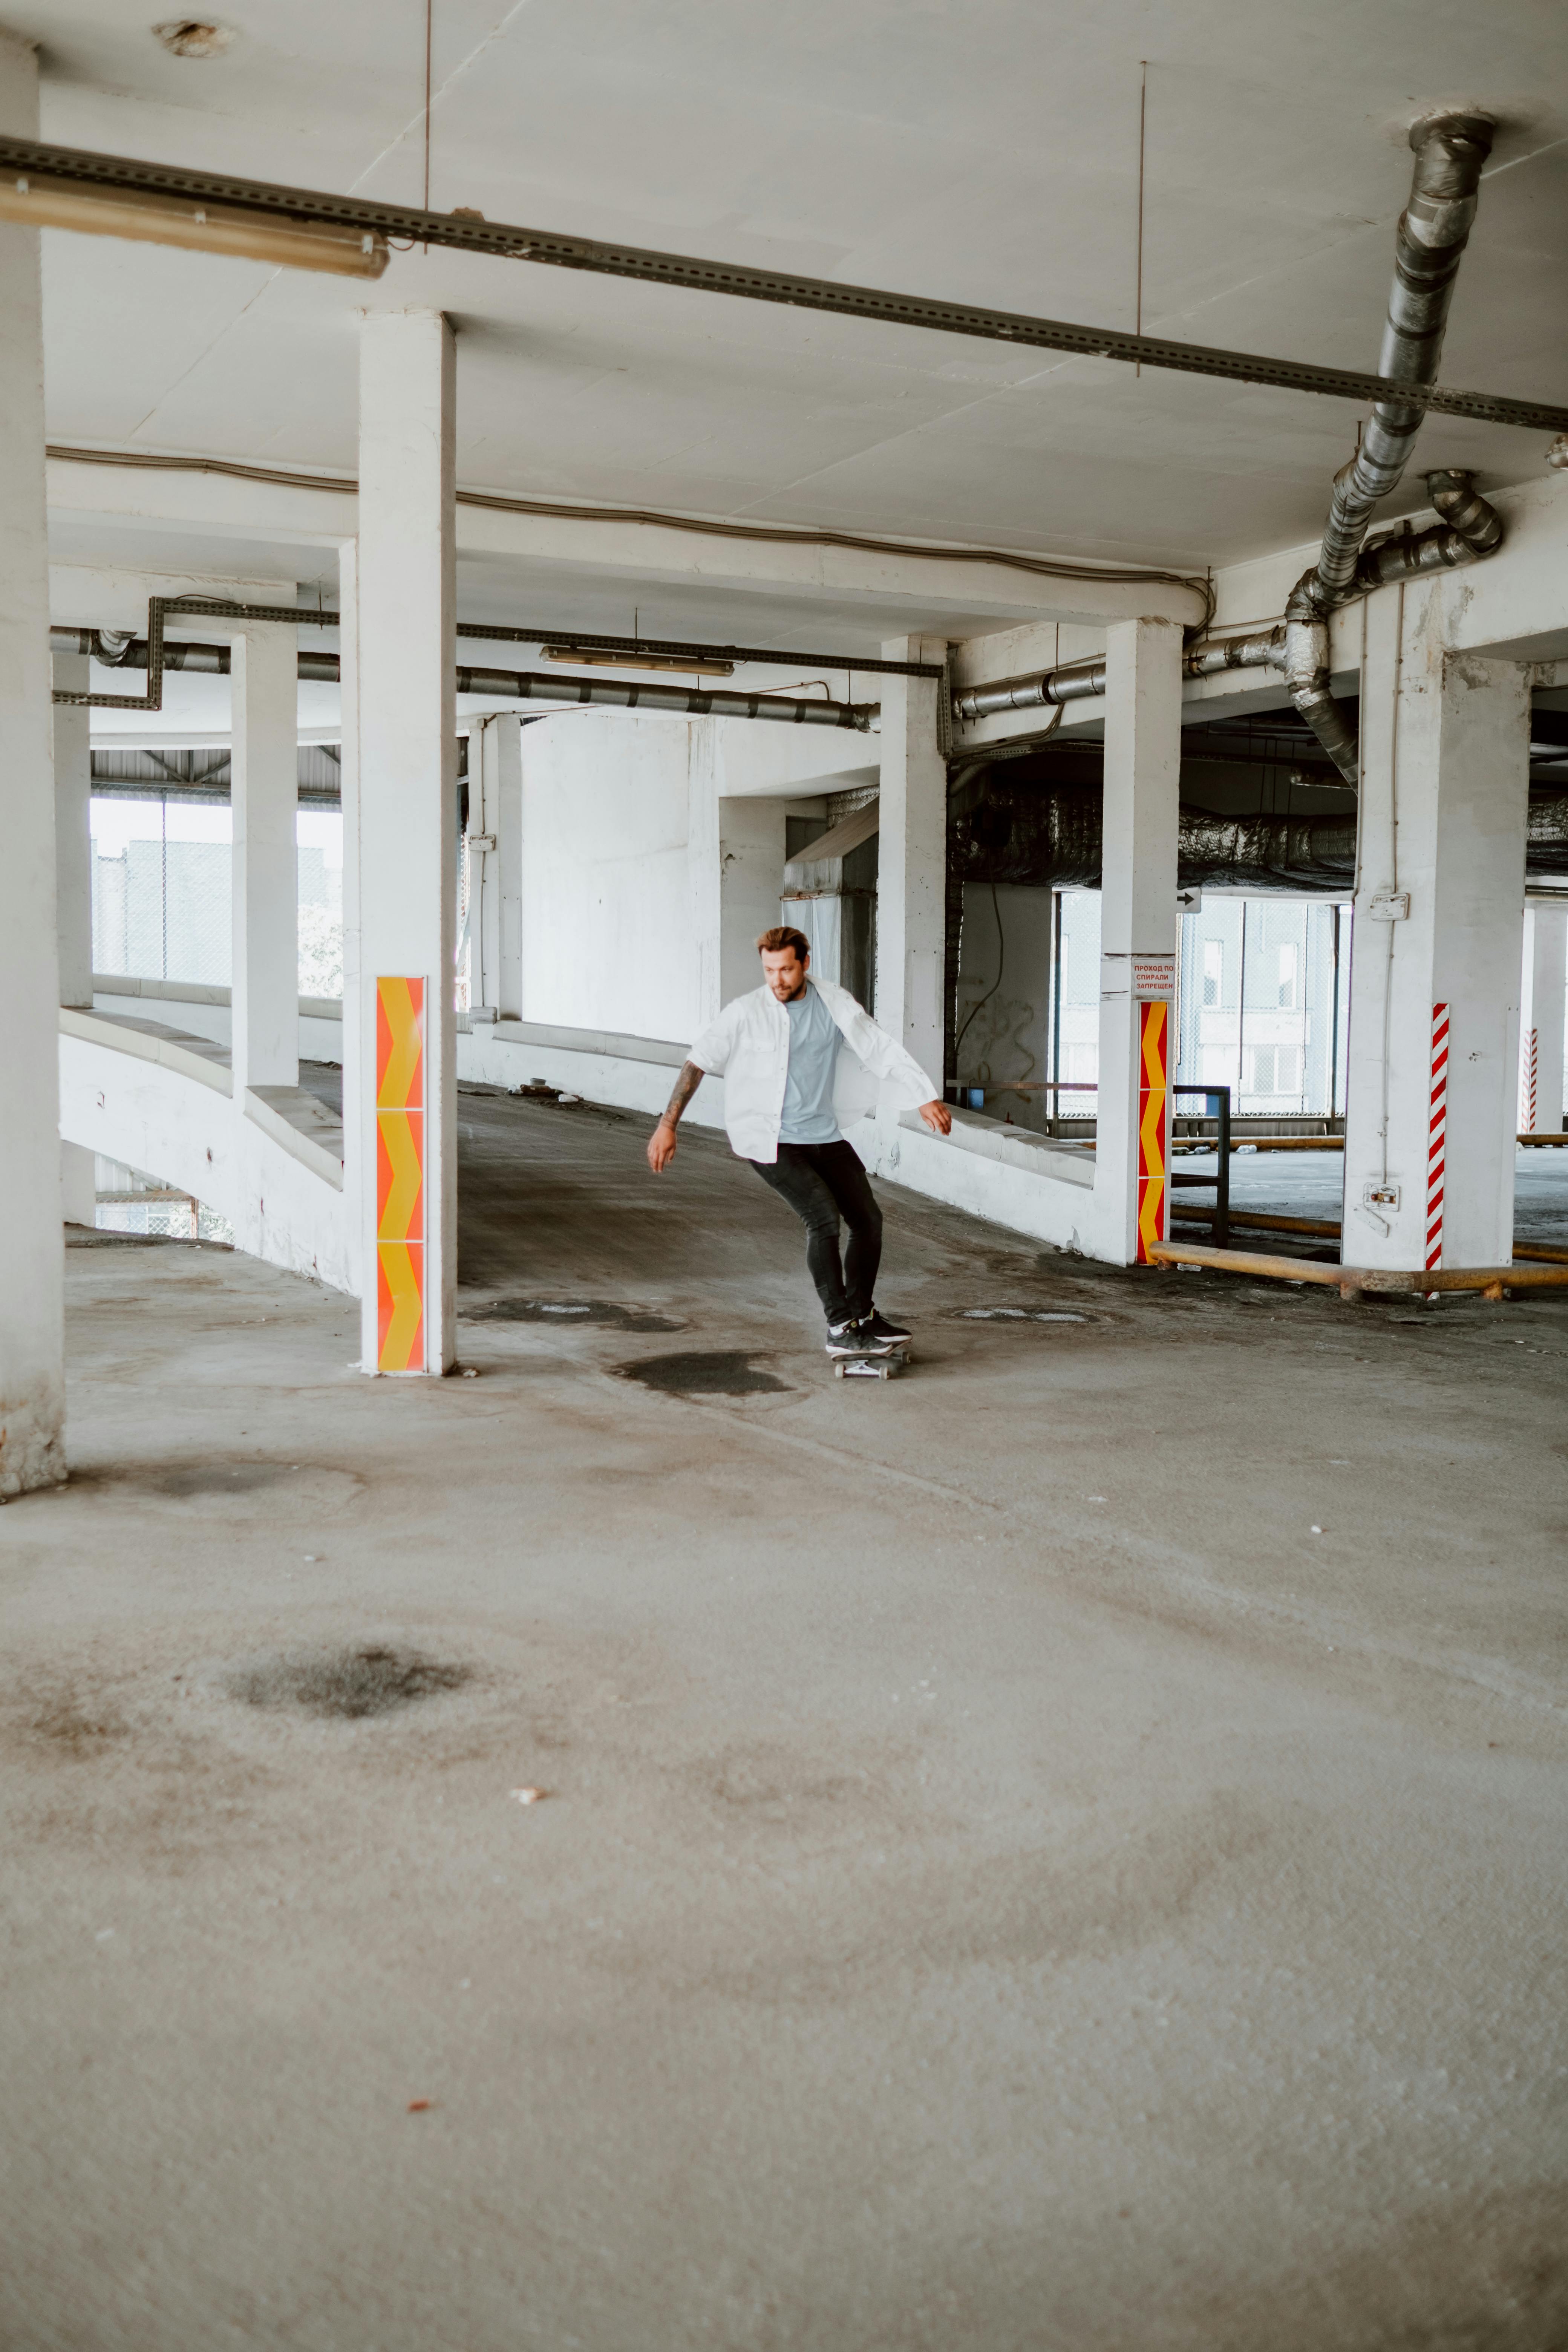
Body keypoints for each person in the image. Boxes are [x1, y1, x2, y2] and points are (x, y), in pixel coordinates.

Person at [646, 925, 952, 1355]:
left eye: (786, 969)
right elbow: (696, 1063)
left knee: (867, 1221)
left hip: (822, 1133)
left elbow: (878, 1046)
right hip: (770, 1140)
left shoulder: (833, 1002)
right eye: (770, 970)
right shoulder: (745, 1012)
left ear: (805, 964)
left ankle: (862, 1314)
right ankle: (840, 1327)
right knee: (822, 1218)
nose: (777, 980)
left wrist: (923, 1097)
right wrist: (667, 1125)